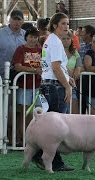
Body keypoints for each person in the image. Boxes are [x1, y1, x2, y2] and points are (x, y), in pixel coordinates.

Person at [32, 12, 74, 172]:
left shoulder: (50, 40)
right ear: (55, 25)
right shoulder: (56, 42)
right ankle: (54, 161)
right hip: (55, 86)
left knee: (49, 124)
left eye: (67, 24)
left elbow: (55, 67)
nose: (66, 27)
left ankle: (39, 154)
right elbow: (56, 67)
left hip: (48, 84)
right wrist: (67, 86)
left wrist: (67, 77)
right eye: (63, 23)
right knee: (56, 127)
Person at [0, 9, 26, 145]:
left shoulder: (26, 35)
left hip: (21, 78)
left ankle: (14, 137)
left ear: (22, 21)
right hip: (2, 78)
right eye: (14, 19)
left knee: (17, 109)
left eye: (19, 19)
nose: (16, 22)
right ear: (9, 20)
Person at [12, 27, 42, 146]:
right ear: (26, 37)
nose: (33, 39)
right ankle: (23, 139)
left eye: (35, 37)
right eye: (31, 36)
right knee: (24, 113)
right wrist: (34, 70)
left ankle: (35, 139)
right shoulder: (21, 49)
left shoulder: (41, 50)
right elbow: (17, 66)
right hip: (24, 85)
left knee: (37, 114)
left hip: (38, 86)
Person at [62, 30, 82, 114]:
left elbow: (80, 65)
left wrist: (77, 70)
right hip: (59, 85)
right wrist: (68, 70)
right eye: (63, 39)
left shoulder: (75, 53)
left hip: (71, 85)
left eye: (68, 38)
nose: (66, 41)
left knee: (74, 112)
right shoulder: (57, 52)